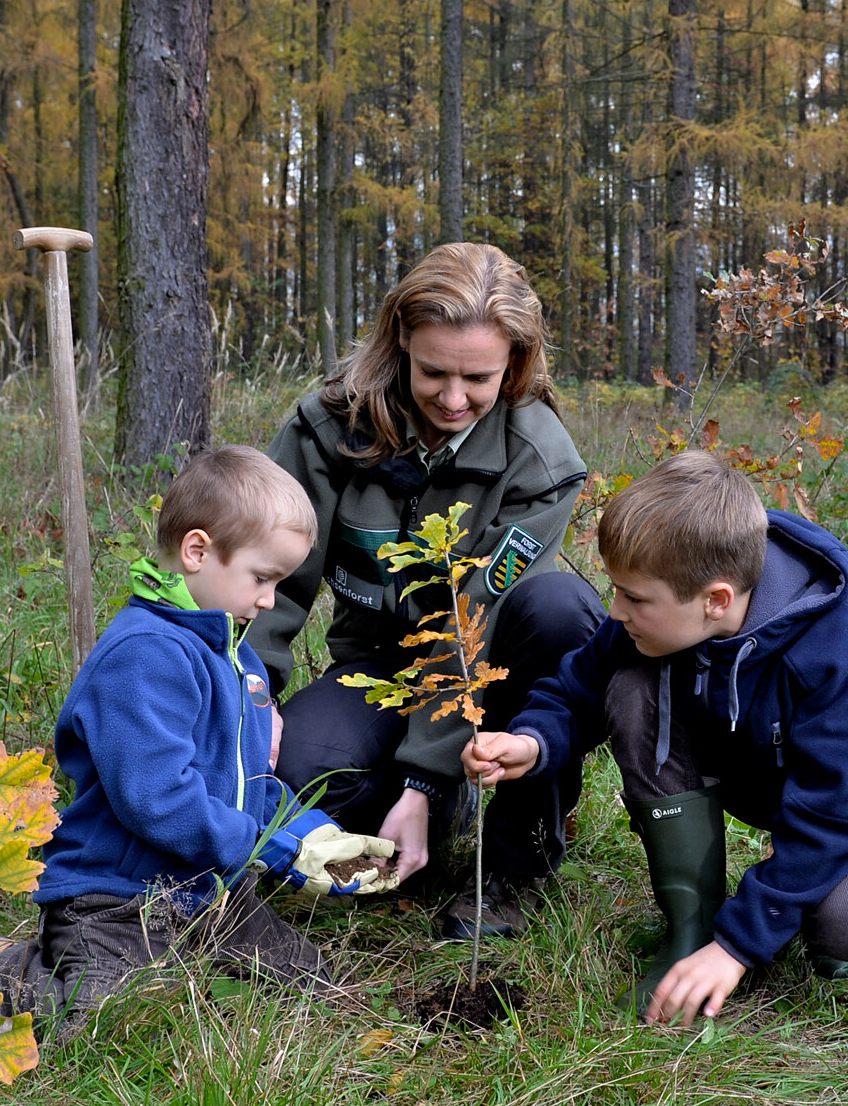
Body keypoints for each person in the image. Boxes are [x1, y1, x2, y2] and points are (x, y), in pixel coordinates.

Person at [464, 450, 848, 1024]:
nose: (614, 613)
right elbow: (577, 690)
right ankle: (691, 923)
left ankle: (787, 919)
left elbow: (841, 811)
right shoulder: (663, 613)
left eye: (634, 598)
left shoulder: (845, 649)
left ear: (716, 599)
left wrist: (738, 946)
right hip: (750, 763)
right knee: (633, 684)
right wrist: (532, 744)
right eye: (615, 591)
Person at [0, 447, 399, 1024]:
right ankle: (3, 968)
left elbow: (250, 782)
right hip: (114, 895)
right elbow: (157, 798)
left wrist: (318, 835)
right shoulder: (145, 656)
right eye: (262, 579)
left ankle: (190, 952)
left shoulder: (237, 658)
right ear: (197, 551)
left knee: (313, 986)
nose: (269, 601)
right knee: (104, 1020)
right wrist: (274, 850)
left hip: (205, 885)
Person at [249, 242, 604, 940]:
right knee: (302, 775)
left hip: (491, 675)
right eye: (433, 371)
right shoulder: (326, 429)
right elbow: (268, 575)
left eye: (478, 377)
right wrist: (250, 697)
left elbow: (475, 617)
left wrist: (419, 777)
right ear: (401, 340)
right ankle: (435, 812)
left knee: (563, 612)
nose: (452, 398)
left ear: (517, 362)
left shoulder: (540, 460)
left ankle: (512, 867)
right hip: (379, 669)